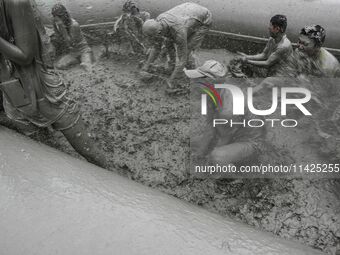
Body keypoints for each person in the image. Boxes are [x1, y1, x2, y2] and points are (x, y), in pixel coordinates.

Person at [0, 0, 109, 169]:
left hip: (43, 88)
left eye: (58, 18)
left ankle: (112, 178)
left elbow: (26, 56)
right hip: (12, 93)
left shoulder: (17, 4)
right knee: (42, 154)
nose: (56, 20)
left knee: (89, 152)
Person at [185, 60, 265, 178]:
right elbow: (209, 129)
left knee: (216, 157)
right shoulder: (212, 94)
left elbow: (224, 139)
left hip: (252, 143)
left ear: (209, 81)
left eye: (198, 79)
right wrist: (198, 154)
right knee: (193, 143)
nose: (193, 82)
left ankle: (241, 177)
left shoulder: (227, 109)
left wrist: (205, 165)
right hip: (233, 132)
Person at [141, 2, 212, 90]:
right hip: (188, 11)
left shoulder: (179, 32)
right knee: (168, 42)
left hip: (204, 19)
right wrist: (145, 67)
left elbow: (182, 59)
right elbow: (156, 47)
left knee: (188, 49)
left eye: (153, 37)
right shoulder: (158, 23)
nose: (152, 39)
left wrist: (171, 81)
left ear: (159, 32)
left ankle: (193, 75)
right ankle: (172, 67)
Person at [51, 3, 94, 71]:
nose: (56, 20)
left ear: (63, 16)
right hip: (73, 52)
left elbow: (71, 43)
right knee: (59, 65)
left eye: (57, 17)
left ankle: (85, 57)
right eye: (54, 17)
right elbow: (58, 37)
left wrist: (63, 29)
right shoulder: (58, 23)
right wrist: (55, 26)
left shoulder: (74, 25)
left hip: (83, 50)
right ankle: (77, 60)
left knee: (87, 67)